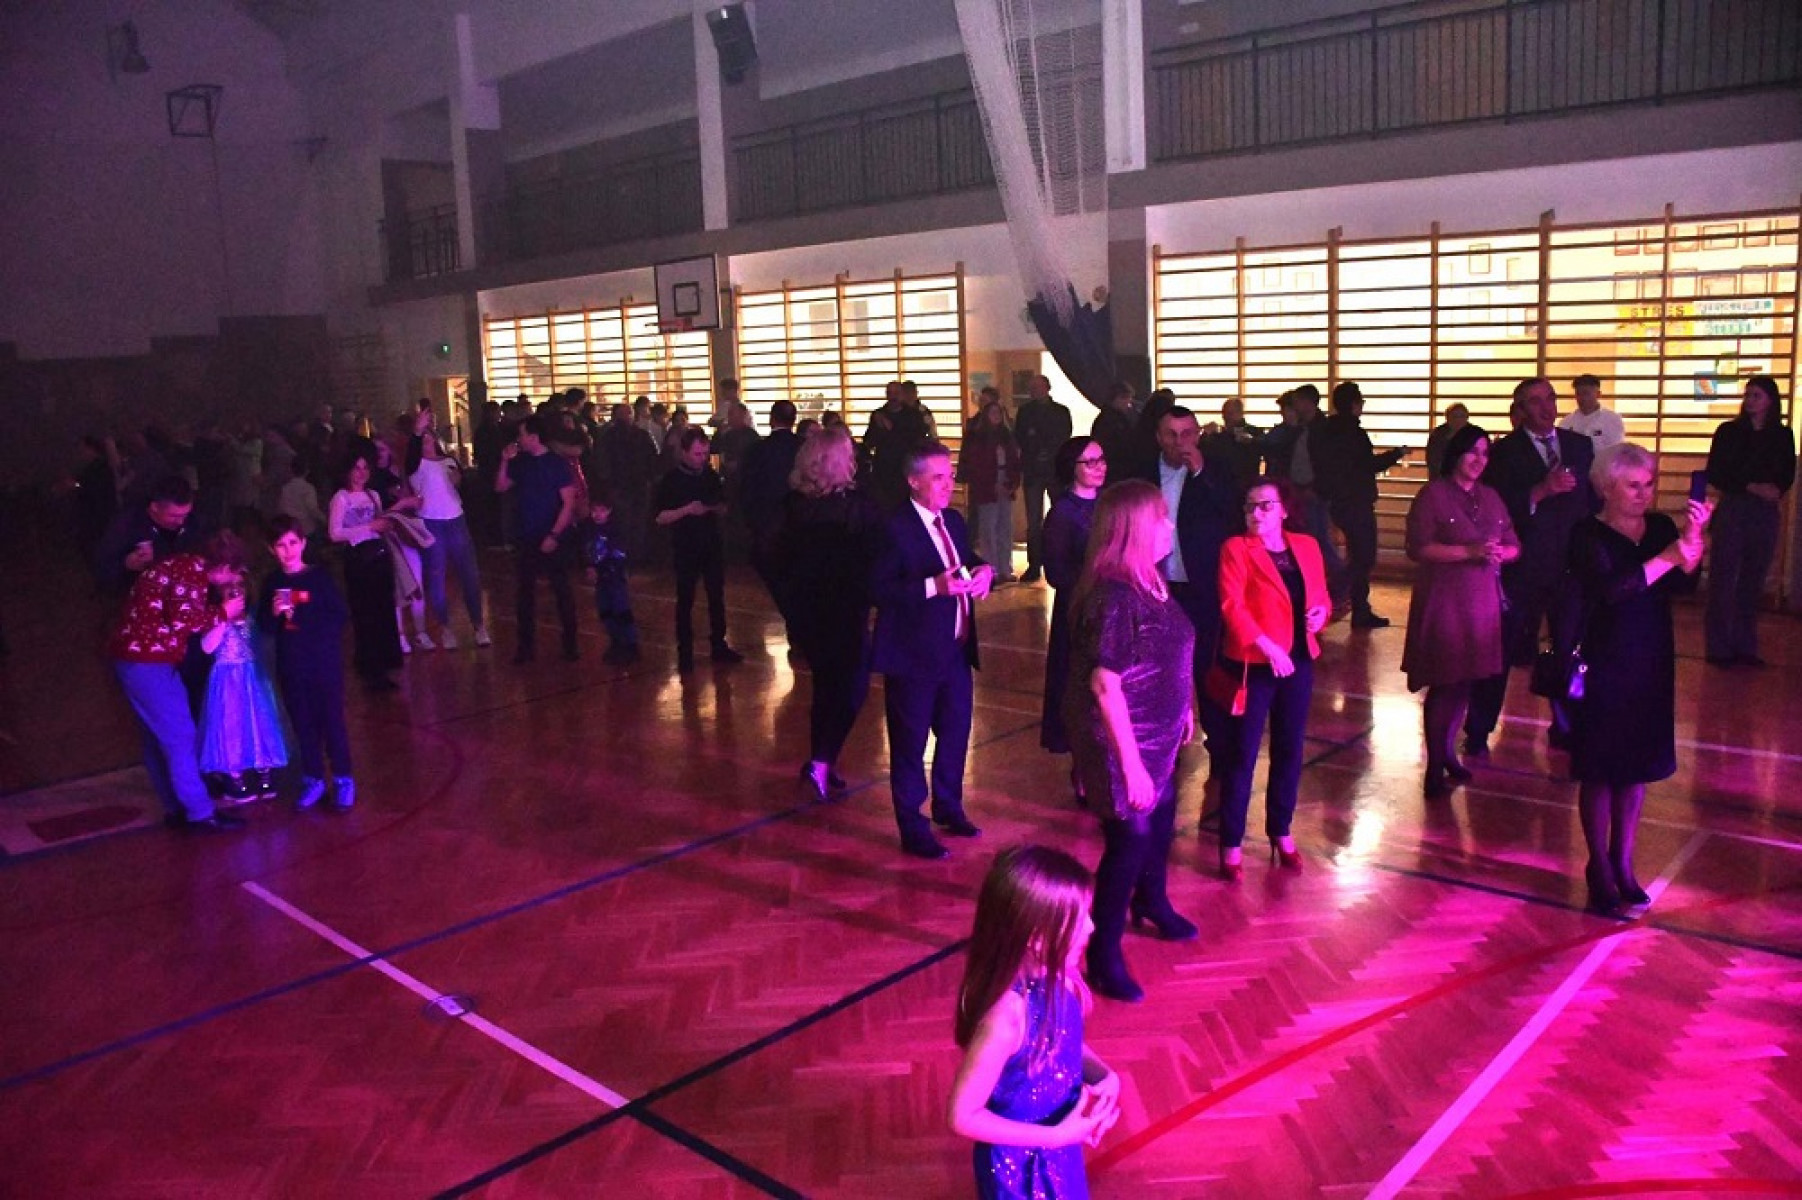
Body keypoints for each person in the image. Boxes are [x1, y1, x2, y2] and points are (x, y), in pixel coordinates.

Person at [1065, 480, 1198, 1003]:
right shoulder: (1116, 597)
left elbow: (1168, 653)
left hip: (1158, 730)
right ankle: (1102, 955)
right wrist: (1132, 766)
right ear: (1135, 529)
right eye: (1160, 518)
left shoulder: (1151, 581)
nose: (1170, 525)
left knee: (1160, 824)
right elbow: (1104, 685)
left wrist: (1184, 707)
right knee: (1129, 840)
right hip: (1120, 736)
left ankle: (1153, 902)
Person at [1567, 443, 1709, 915]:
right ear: (1606, 487)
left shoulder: (1662, 527)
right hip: (1605, 658)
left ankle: (1623, 863)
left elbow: (1683, 585)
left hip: (1651, 657)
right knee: (1601, 768)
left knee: (1636, 769)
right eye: (1633, 486)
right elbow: (1613, 591)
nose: (1644, 494)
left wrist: (1693, 541)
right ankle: (1599, 867)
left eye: (1649, 484)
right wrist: (1669, 556)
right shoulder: (1586, 533)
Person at [947, 845, 1121, 1198]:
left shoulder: (1060, 980)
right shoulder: (1004, 1020)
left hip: (1059, 1146)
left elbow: (1059, 1045)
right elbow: (962, 1116)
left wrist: (1104, 1075)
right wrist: (1055, 1137)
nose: (1091, 926)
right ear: (1036, 937)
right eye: (1079, 919)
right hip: (1019, 1172)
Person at [870, 440, 994, 859]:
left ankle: (949, 806)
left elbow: (966, 559)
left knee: (956, 734)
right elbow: (878, 589)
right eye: (938, 477)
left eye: (950, 475)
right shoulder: (893, 527)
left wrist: (983, 570)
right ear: (913, 480)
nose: (948, 483)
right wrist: (932, 587)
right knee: (909, 744)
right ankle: (912, 826)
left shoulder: (953, 521)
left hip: (955, 651)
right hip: (912, 657)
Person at [1466, 377, 1597, 757]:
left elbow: (1590, 502)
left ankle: (1567, 725)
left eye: (1550, 398)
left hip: (1570, 567)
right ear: (1521, 410)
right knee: (1502, 649)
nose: (1546, 407)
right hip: (1522, 568)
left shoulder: (1579, 446)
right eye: (1535, 401)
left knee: (1570, 649)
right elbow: (1494, 510)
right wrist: (1540, 491)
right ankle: (1479, 728)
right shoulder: (1503, 453)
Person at [1215, 479, 1330, 879]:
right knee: (1242, 755)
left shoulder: (1307, 546)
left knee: (1289, 750)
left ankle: (1280, 830)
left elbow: (1320, 595)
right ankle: (1231, 842)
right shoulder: (1236, 548)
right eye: (1249, 506)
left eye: (1265, 505)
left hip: (1298, 661)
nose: (1256, 513)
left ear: (1284, 510)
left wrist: (1320, 614)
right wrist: (1267, 647)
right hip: (1255, 662)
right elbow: (1232, 606)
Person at [1401, 425, 1521, 798]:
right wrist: (1469, 552)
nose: (1479, 460)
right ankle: (1434, 764)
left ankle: (1449, 754)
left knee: (1466, 683)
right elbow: (1418, 547)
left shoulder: (1491, 496)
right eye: (1472, 452)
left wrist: (1501, 552)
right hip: (1446, 601)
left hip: (1482, 603)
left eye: (1485, 453)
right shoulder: (1433, 495)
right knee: (1445, 682)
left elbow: (1514, 544)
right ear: (1456, 454)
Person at [107, 532, 249, 833]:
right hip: (149, 661)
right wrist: (224, 612)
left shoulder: (178, 565)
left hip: (132, 659)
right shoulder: (191, 574)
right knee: (181, 736)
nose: (234, 580)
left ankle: (175, 807)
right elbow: (185, 622)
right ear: (224, 567)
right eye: (235, 573)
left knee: (156, 737)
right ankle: (200, 813)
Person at [780, 426, 885, 797]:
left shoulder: (796, 504)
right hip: (844, 608)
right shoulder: (852, 506)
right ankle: (823, 759)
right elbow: (878, 546)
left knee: (826, 687)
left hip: (809, 611)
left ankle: (822, 760)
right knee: (852, 688)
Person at [1140, 405, 1238, 800]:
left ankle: (1219, 744)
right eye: (1172, 434)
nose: (1181, 442)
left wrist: (1200, 473)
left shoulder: (1217, 470)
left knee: (1206, 666)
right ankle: (1163, 744)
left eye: (1188, 433)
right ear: (1158, 438)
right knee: (1159, 669)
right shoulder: (1143, 474)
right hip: (1155, 587)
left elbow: (1233, 515)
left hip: (1201, 586)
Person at [259, 516, 357, 811]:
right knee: (302, 723)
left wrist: (315, 630)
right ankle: (313, 778)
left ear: (302, 543)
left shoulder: (319, 578)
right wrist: (273, 613)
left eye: (293, 543)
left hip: (323, 663)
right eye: (280, 545)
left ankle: (343, 778)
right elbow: (265, 627)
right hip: (292, 665)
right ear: (271, 549)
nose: (288, 550)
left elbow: (340, 614)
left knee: (331, 721)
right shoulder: (272, 582)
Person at [1704, 375, 1795, 668]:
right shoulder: (1729, 432)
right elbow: (1717, 471)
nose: (1750, 401)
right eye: (1748, 395)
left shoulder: (1782, 435)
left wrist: (1777, 489)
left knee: (1753, 579)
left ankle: (1745, 645)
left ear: (1770, 400)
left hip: (1765, 511)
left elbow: (1787, 472)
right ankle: (1718, 646)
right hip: (1735, 506)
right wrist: (1751, 486)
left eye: (1757, 395)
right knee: (1724, 578)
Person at [196, 534, 287, 803]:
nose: (235, 592)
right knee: (230, 725)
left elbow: (266, 635)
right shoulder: (214, 614)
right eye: (229, 588)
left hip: (252, 676)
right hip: (226, 677)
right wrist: (223, 618)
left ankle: (264, 769)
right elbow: (207, 647)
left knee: (259, 721)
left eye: (239, 586)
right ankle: (234, 774)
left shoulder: (253, 614)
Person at [1039, 437, 1106, 798]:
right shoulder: (1063, 513)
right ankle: (1083, 769)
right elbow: (1056, 573)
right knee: (1080, 690)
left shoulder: (1109, 504)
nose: (1099, 467)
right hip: (1078, 614)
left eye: (1101, 460)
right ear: (1072, 468)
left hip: (1110, 610)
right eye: (1089, 462)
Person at [1312, 382, 1407, 629]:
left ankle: (1359, 609)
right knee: (1363, 558)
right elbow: (1369, 465)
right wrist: (1395, 454)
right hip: (1357, 501)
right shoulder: (1353, 433)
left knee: (1357, 556)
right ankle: (1337, 595)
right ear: (1354, 404)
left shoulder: (1324, 431)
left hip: (1336, 501)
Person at [496, 415, 583, 664]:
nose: (519, 439)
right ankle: (526, 646)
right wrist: (504, 460)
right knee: (525, 594)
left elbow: (568, 503)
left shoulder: (556, 464)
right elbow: (500, 486)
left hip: (553, 535)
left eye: (522, 434)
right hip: (527, 535)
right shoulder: (521, 463)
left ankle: (570, 644)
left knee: (562, 590)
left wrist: (554, 534)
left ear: (533, 437)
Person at [655, 427, 743, 672]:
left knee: (716, 596)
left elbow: (723, 505)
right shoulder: (671, 480)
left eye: (704, 454)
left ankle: (718, 643)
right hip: (685, 545)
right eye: (697, 454)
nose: (701, 458)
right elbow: (660, 517)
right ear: (683, 452)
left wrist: (714, 508)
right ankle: (685, 651)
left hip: (711, 543)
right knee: (686, 598)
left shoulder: (710, 476)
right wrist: (687, 510)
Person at [406, 403, 490, 649]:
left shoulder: (448, 460)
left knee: (469, 574)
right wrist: (417, 431)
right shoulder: (416, 465)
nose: (426, 442)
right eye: (422, 439)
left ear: (436, 440)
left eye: (429, 438)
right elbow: (411, 457)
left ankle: (479, 625)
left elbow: (460, 485)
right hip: (431, 521)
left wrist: (458, 480)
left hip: (456, 519)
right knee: (436, 576)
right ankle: (445, 628)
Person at [328, 447, 405, 690]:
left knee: (383, 612)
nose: (361, 473)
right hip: (358, 560)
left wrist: (385, 525)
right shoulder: (341, 498)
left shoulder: (373, 495)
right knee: (365, 614)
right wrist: (369, 527)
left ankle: (383, 666)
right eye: (356, 468)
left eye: (365, 468)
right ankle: (370, 668)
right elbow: (334, 533)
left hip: (378, 558)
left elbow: (379, 523)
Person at [738, 398, 804, 647]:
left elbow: (747, 488)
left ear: (771, 419)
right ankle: (800, 630)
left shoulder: (758, 450)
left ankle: (794, 623)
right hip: (798, 523)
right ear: (793, 420)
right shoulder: (803, 447)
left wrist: (750, 521)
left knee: (775, 576)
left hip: (767, 523)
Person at [92, 473, 210, 595]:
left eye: (185, 514)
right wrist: (126, 563)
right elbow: (101, 569)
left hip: (186, 591)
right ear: (154, 507)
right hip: (140, 595)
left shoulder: (195, 520)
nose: (181, 521)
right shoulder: (127, 525)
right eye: (174, 516)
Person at [1013, 375, 1073, 584]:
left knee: (1060, 517)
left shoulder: (1061, 411)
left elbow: (1064, 436)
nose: (1036, 390)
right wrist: (1035, 451)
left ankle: (1061, 559)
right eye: (1033, 387)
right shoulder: (1025, 412)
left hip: (1055, 471)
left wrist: (1048, 452)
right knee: (1033, 521)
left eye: (1039, 387)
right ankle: (1034, 565)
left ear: (1048, 388)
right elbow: (1019, 437)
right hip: (1033, 471)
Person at [958, 392, 1022, 582]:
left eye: (998, 413)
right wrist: (990, 483)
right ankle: (991, 569)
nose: (996, 416)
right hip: (986, 484)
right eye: (992, 413)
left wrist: (1012, 483)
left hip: (1005, 480)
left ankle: (1005, 568)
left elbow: (1015, 462)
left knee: (1005, 527)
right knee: (988, 528)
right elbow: (976, 465)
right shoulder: (978, 437)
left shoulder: (1007, 436)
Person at [580, 482, 641, 666]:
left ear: (609, 511)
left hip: (614, 576)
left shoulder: (616, 530)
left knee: (620, 609)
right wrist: (589, 566)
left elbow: (618, 554)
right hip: (600, 578)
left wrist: (601, 568)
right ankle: (615, 641)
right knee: (605, 610)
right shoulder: (588, 528)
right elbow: (586, 551)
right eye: (594, 510)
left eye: (602, 510)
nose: (597, 514)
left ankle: (630, 644)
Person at [862, 380, 933, 510]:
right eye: (890, 393)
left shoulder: (913, 415)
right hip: (883, 471)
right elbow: (869, 441)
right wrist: (878, 428)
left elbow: (918, 440)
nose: (893, 397)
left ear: (902, 394)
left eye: (896, 393)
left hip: (905, 470)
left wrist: (892, 428)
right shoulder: (878, 414)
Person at [1201, 398, 1263, 493]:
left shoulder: (1254, 433)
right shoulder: (1218, 436)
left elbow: (1263, 451)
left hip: (1247, 486)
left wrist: (1251, 441)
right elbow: (1203, 454)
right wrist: (1205, 435)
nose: (1226, 417)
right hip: (1221, 487)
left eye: (1230, 413)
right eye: (1224, 413)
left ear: (1241, 413)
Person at [1559, 374, 1626, 451]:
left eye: (1586, 393)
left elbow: (1616, 451)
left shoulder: (1612, 419)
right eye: (1578, 394)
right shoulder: (1566, 423)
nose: (1581, 398)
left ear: (1598, 394)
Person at [1088, 380, 1137, 474]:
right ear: (1115, 399)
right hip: (1115, 467)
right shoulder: (1108, 421)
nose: (1128, 403)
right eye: (1125, 398)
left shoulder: (1119, 418)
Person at [1424, 403, 1470, 478]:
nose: (1458, 420)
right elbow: (1432, 459)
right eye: (1454, 416)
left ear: (1467, 417)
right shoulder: (1438, 434)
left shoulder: (1475, 434)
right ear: (1447, 418)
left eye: (1462, 416)